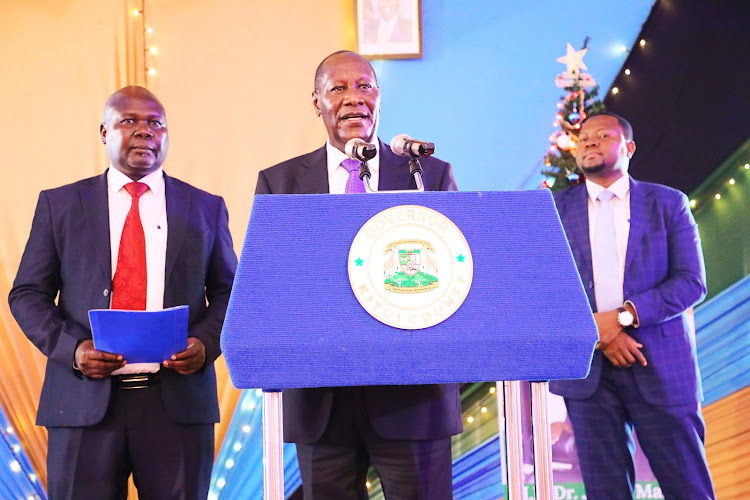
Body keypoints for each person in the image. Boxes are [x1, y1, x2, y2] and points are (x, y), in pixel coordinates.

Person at [9, 85, 237, 499]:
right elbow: (26, 294)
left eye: (155, 123)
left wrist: (204, 344)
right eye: (128, 121)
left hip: (177, 406)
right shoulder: (60, 205)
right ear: (103, 132)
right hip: (82, 405)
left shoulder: (205, 207)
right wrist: (73, 350)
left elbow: (232, 294)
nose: (144, 131)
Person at [256, 50, 461, 499]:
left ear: (379, 97)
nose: (355, 98)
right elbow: (272, 284)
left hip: (413, 394)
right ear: (316, 102)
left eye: (365, 86)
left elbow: (453, 275)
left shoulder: (425, 174)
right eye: (339, 88)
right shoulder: (280, 183)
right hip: (322, 400)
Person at [550, 113, 715, 499]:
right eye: (583, 137)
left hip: (660, 363)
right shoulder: (554, 210)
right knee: (605, 490)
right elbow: (546, 288)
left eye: (602, 135)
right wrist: (600, 333)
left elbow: (691, 282)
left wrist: (623, 318)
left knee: (688, 486)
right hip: (587, 373)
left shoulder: (667, 203)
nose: (589, 142)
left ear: (628, 147)